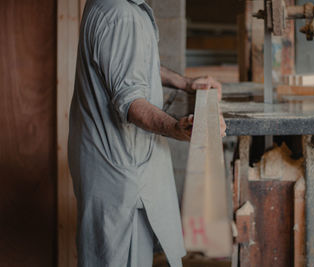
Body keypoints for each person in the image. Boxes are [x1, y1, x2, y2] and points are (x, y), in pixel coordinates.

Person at [68, 0, 225, 266]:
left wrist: (185, 82)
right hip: (123, 177)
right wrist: (177, 128)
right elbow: (131, 104)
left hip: (109, 167)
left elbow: (132, 66)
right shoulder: (121, 15)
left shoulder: (111, 6)